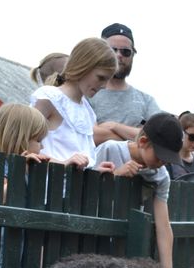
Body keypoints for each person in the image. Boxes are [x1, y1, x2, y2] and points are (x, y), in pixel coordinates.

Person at [93, 111, 180, 268]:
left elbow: (163, 226)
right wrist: (116, 175)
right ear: (143, 141)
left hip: (127, 247)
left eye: (168, 159)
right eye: (160, 156)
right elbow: (87, 189)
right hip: (94, 240)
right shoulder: (110, 149)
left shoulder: (161, 177)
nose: (162, 163)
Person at [29, 37, 123, 170]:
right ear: (83, 67)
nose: (104, 86)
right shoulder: (49, 98)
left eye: (108, 80)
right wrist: (63, 164)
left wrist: (95, 171)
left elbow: (81, 159)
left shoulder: (87, 111)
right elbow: (25, 149)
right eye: (101, 77)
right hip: (45, 187)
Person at [89, 23, 162, 143]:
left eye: (126, 52)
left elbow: (158, 136)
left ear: (133, 54)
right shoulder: (87, 94)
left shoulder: (146, 100)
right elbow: (89, 136)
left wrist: (114, 126)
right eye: (112, 50)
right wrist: (137, 135)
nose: (119, 55)